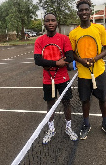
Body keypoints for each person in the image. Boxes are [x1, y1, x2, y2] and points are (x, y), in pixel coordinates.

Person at [69, 0, 106, 140]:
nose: (84, 12)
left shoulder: (100, 29)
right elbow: (72, 53)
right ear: (78, 13)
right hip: (83, 74)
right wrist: (81, 61)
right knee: (85, 101)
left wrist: (95, 59)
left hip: (99, 72)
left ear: (90, 12)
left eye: (86, 9)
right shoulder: (73, 34)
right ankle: (86, 124)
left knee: (102, 99)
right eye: (81, 10)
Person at [34, 13, 78, 144]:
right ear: (44, 23)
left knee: (67, 103)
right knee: (50, 104)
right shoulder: (39, 41)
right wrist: (55, 63)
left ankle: (68, 128)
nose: (50, 23)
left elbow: (70, 57)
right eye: (47, 21)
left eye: (53, 20)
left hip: (63, 78)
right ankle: (51, 129)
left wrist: (48, 63)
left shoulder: (64, 39)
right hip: (48, 79)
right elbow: (37, 60)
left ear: (57, 22)